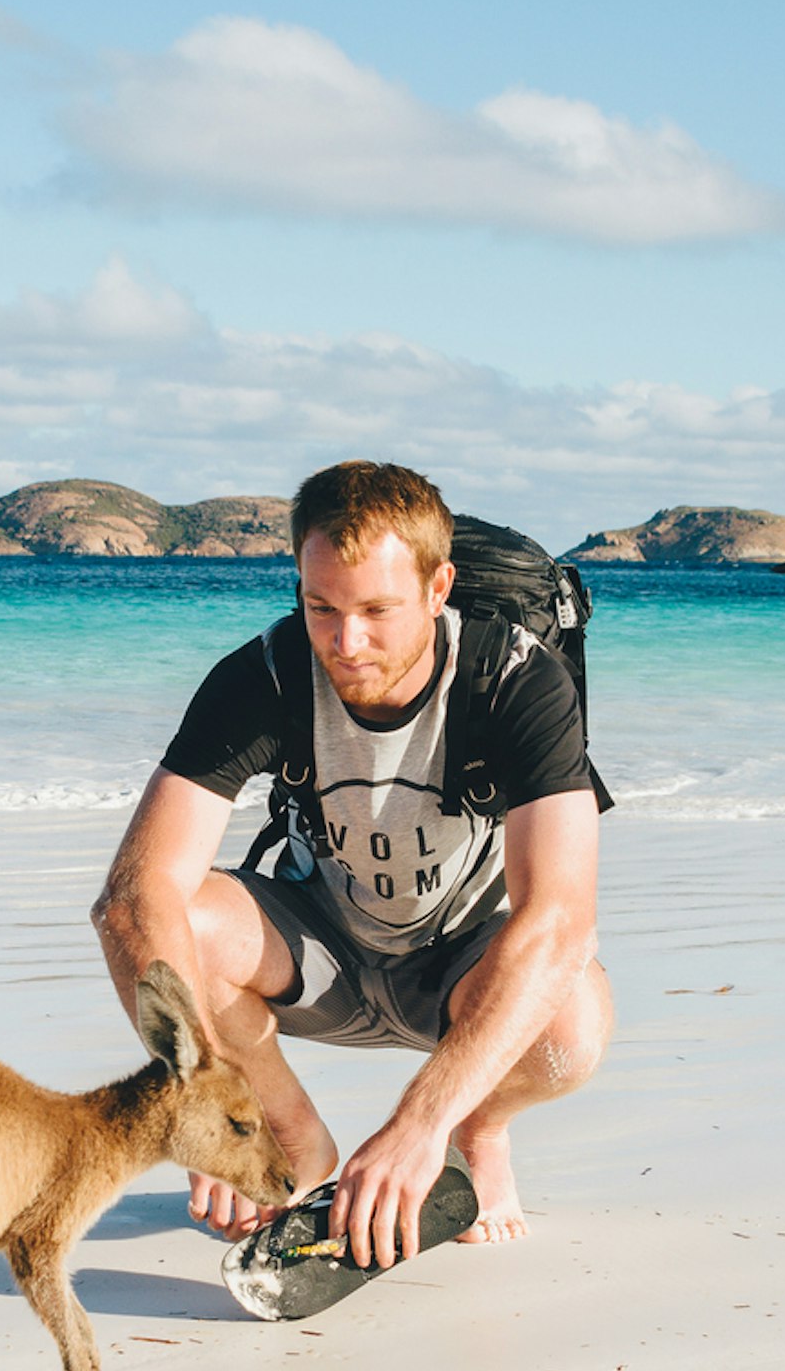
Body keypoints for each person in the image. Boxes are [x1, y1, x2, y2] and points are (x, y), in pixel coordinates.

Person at [90, 459, 614, 1271]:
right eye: (321, 607)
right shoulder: (263, 674)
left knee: (573, 1021)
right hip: (320, 949)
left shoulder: (514, 680)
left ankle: (480, 1124)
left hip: (461, 970)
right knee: (177, 919)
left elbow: (560, 918)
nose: (346, 641)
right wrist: (209, 1101)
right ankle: (290, 1132)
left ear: (439, 587)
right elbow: (133, 896)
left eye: (377, 610)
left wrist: (421, 1126)